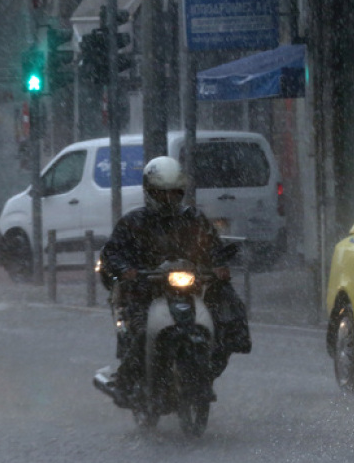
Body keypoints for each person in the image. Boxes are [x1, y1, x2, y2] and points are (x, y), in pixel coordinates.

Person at [97, 156, 251, 405]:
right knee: (140, 332)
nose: (169, 199)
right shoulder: (133, 222)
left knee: (226, 320)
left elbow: (212, 248)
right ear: (149, 191)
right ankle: (125, 382)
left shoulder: (194, 219)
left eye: (174, 193)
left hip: (190, 289)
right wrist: (127, 270)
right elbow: (112, 252)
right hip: (145, 291)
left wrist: (219, 265)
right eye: (162, 193)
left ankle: (210, 367)